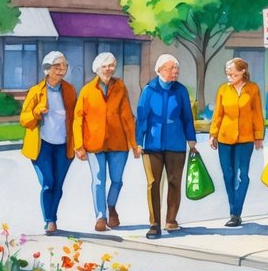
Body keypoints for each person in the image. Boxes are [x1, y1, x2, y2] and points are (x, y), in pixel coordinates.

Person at [136, 54, 198, 239]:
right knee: (153, 183)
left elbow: (187, 117)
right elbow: (142, 118)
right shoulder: (149, 90)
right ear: (161, 70)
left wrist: (191, 139)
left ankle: (171, 219)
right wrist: (139, 141)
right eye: (172, 68)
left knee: (174, 181)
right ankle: (154, 223)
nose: (175, 72)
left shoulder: (181, 91)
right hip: (152, 144)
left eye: (177, 68)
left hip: (176, 143)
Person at [74, 52, 138, 232]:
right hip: (94, 143)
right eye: (105, 66)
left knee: (117, 180)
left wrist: (134, 144)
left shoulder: (120, 87)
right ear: (97, 68)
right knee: (98, 181)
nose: (109, 69)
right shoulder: (87, 90)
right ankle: (100, 216)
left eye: (111, 65)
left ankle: (111, 207)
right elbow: (78, 119)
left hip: (118, 142)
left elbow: (127, 116)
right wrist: (79, 146)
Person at [20, 51, 79, 236]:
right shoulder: (36, 91)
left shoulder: (69, 90)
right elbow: (24, 119)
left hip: (63, 145)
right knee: (48, 182)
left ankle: (53, 218)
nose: (62, 70)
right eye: (57, 67)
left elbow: (76, 118)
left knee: (58, 185)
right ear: (47, 69)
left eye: (64, 66)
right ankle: (49, 220)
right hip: (42, 145)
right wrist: (36, 112)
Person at [210, 58, 265, 227]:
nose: (230, 76)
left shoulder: (253, 89)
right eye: (228, 73)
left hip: (245, 139)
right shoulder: (223, 90)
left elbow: (257, 113)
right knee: (228, 175)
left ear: (242, 72)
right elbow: (218, 114)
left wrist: (258, 136)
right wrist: (213, 134)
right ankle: (232, 209)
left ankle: (236, 213)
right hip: (225, 137)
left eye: (233, 73)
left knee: (242, 176)